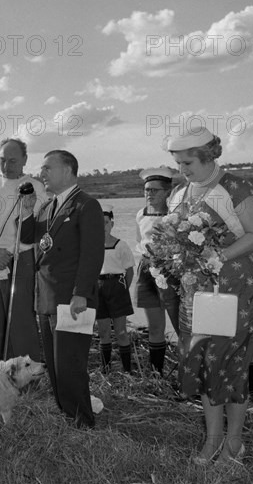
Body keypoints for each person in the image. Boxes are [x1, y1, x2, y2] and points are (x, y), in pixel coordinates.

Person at [166, 127, 253, 466]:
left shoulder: (236, 188)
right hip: (197, 292)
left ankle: (234, 445)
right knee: (206, 363)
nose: (183, 169)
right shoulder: (179, 194)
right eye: (179, 163)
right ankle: (212, 441)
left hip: (234, 289)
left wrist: (220, 257)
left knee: (232, 363)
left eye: (188, 162)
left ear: (208, 156)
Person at [20, 150, 105, 429]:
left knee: (70, 362)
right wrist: (27, 209)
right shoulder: (47, 206)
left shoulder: (86, 205)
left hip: (72, 297)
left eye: (47, 168)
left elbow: (92, 255)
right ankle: (66, 411)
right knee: (55, 363)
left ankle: (82, 419)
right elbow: (28, 238)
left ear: (67, 170)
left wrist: (82, 292)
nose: (41, 173)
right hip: (47, 296)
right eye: (41, 169)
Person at [0, 138, 47, 362]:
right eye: (2, 160)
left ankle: (28, 372)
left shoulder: (36, 187)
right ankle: (2, 370)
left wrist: (10, 253)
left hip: (20, 259)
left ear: (24, 160)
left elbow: (36, 227)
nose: (7, 166)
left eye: (12, 161)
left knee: (21, 319)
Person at [134, 166, 180, 375]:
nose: (149, 194)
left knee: (181, 326)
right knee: (154, 327)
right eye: (146, 190)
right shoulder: (140, 215)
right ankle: (156, 374)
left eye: (155, 190)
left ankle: (190, 372)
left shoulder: (175, 216)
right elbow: (139, 241)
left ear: (167, 192)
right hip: (146, 270)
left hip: (170, 270)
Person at [97, 205, 135, 373]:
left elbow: (130, 271)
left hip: (117, 287)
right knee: (104, 331)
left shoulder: (121, 245)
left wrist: (123, 289)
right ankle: (106, 370)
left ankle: (127, 370)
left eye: (105, 222)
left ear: (111, 224)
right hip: (98, 288)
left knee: (120, 332)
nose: (102, 226)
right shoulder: (91, 246)